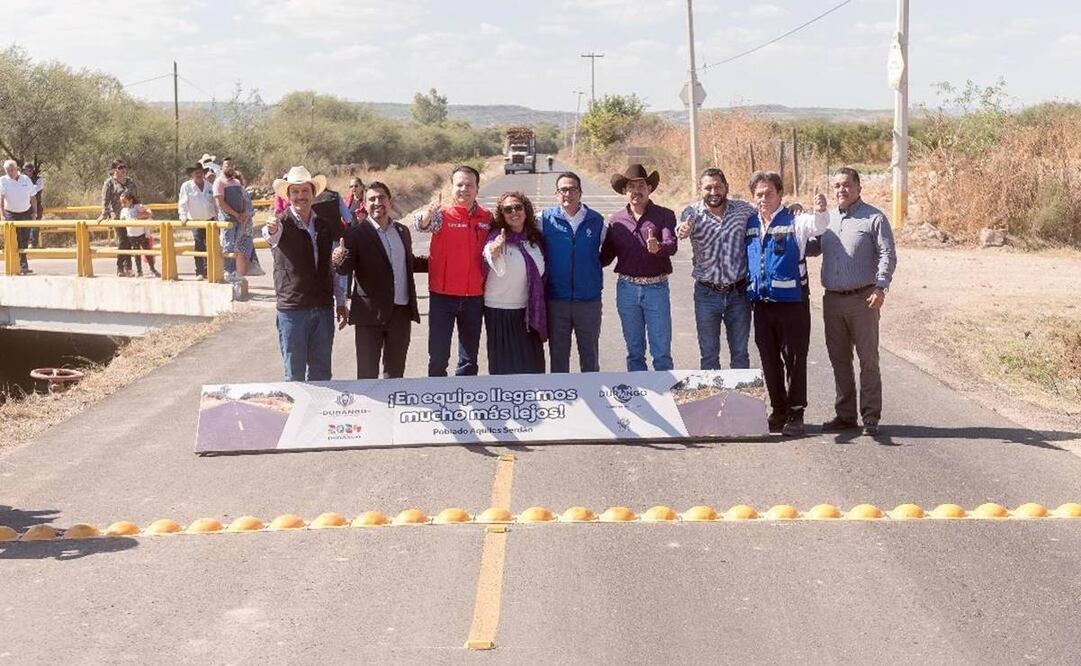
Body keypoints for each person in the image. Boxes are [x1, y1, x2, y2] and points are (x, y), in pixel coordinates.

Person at [745, 170, 829, 437]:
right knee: (769, 360)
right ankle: (778, 410)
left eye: (769, 193)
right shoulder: (750, 223)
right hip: (762, 305)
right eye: (759, 194)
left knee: (794, 359)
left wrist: (820, 210)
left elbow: (819, 226)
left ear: (780, 194)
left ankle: (795, 412)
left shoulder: (796, 220)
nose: (764, 199)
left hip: (792, 304)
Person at [817, 167, 898, 437]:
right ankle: (845, 415)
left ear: (858, 188)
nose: (842, 190)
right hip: (832, 301)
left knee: (868, 359)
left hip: (863, 300)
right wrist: (801, 218)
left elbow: (887, 254)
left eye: (847, 185)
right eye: (837, 185)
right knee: (839, 359)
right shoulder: (826, 220)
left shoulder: (874, 218)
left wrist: (881, 286)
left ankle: (871, 416)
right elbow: (811, 247)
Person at [333, 182, 427, 379]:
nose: (377, 202)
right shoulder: (355, 234)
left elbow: (407, 262)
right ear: (364, 204)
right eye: (372, 199)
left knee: (395, 375)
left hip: (400, 313)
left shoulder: (402, 231)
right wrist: (338, 258)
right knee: (367, 376)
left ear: (390, 201)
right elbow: (344, 269)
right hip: (369, 316)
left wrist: (439, 262)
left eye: (382, 197)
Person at [262, 166, 348, 381]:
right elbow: (270, 235)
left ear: (313, 194)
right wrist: (271, 229)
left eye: (305, 191)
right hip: (293, 311)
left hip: (323, 308)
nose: (301, 196)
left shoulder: (323, 225)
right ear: (288, 196)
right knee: (295, 376)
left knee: (322, 374)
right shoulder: (281, 224)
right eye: (295, 192)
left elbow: (330, 267)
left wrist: (340, 301)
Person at [413, 165, 492, 377]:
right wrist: (428, 213)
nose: (464, 189)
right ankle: (438, 394)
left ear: (477, 188)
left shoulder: (487, 217)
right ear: (451, 187)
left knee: (469, 359)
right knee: (438, 358)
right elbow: (420, 225)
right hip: (442, 297)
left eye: (469, 185)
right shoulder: (441, 215)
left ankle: (465, 395)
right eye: (459, 185)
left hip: (474, 297)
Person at [677, 168, 759, 370]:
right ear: (700, 189)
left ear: (726, 187)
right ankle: (712, 392)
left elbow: (767, 210)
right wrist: (682, 230)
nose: (713, 192)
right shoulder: (692, 213)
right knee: (709, 356)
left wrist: (793, 208)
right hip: (706, 294)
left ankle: (739, 392)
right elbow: (681, 228)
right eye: (708, 188)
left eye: (718, 187)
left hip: (738, 294)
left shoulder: (743, 210)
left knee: (740, 354)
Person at [601, 164, 678, 372]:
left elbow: (671, 245)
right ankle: (640, 392)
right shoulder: (616, 220)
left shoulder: (664, 215)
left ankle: (665, 391)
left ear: (649, 188)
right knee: (634, 352)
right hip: (627, 290)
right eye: (631, 187)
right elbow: (605, 256)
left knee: (661, 352)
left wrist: (658, 247)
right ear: (625, 191)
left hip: (656, 289)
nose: (636, 191)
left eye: (641, 186)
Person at [541, 171, 607, 373]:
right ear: (556, 194)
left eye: (572, 189)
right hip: (556, 300)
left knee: (590, 355)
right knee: (558, 355)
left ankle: (593, 391)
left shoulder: (597, 221)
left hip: (588, 301)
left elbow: (609, 252)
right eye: (563, 190)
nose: (568, 194)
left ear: (580, 192)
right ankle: (561, 392)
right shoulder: (543, 220)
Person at [483, 192, 547, 375]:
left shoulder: (534, 239)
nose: (514, 212)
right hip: (499, 311)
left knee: (534, 366)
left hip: (528, 311)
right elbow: (489, 252)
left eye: (518, 207)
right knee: (504, 368)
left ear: (526, 210)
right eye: (508, 209)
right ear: (502, 215)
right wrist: (495, 250)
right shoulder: (497, 237)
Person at [213, 157, 253, 280]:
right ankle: (228, 271)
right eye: (227, 165)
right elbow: (220, 203)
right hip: (227, 220)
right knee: (228, 245)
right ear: (221, 167)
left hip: (240, 220)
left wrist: (244, 212)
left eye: (231, 165)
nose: (230, 168)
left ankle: (235, 272)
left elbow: (243, 198)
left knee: (238, 245)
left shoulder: (236, 182)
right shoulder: (219, 182)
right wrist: (235, 214)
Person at [97, 159, 137, 276]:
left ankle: (128, 267)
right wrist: (104, 214)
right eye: (120, 167)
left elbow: (136, 198)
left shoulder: (130, 182)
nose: (123, 170)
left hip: (130, 215)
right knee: (123, 240)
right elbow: (105, 200)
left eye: (124, 167)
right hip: (117, 216)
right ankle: (120, 267)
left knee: (130, 241)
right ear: (114, 169)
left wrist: (139, 211)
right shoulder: (109, 183)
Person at [177, 163, 217, 279]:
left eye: (200, 172)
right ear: (192, 174)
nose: (199, 174)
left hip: (210, 220)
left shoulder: (210, 186)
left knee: (211, 245)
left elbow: (215, 203)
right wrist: (182, 215)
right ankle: (199, 271)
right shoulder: (186, 186)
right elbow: (183, 202)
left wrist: (218, 216)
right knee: (199, 245)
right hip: (195, 221)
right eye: (196, 173)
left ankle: (210, 269)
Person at [0, 160, 39, 275]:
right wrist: (2, 213)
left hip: (25, 212)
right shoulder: (3, 180)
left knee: (24, 238)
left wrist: (35, 212)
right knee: (15, 238)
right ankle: (15, 265)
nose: (10, 172)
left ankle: (23, 265)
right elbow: (1, 198)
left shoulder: (25, 179)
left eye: (12, 170)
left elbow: (33, 196)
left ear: (17, 169)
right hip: (10, 213)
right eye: (8, 170)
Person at [119, 192, 158, 277]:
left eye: (124, 202)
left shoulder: (137, 207)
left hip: (142, 234)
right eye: (121, 202)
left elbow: (149, 213)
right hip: (131, 236)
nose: (122, 204)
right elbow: (121, 221)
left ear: (131, 200)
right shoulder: (123, 211)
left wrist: (141, 215)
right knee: (136, 254)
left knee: (147, 252)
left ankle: (153, 269)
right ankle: (139, 271)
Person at [22, 163, 43, 251]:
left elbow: (35, 189)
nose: (25, 172)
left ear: (32, 171)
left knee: (35, 225)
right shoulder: (21, 180)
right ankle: (24, 244)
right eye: (24, 170)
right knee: (24, 226)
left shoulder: (39, 180)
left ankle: (32, 244)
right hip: (24, 207)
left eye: (28, 170)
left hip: (36, 206)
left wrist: (25, 188)